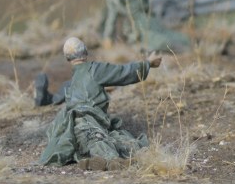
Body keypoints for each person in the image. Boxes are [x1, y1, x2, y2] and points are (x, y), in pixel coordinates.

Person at [39, 37, 162, 170]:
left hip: (74, 129)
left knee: (101, 140)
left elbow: (56, 99)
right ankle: (112, 161)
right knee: (101, 140)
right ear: (85, 52)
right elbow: (123, 72)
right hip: (89, 123)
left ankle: (95, 161)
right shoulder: (95, 69)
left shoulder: (71, 82)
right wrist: (147, 63)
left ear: (67, 58)